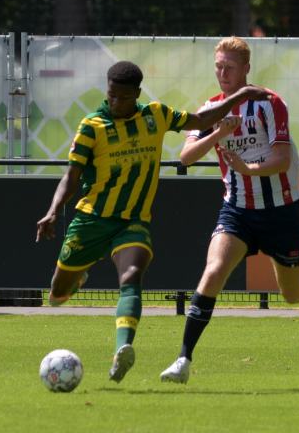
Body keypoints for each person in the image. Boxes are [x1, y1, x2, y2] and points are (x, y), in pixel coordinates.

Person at [36, 60, 271, 383]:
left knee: (132, 275)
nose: (116, 102)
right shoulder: (92, 125)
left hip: (132, 221)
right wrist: (53, 211)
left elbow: (200, 119)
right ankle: (77, 278)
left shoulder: (156, 115)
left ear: (137, 94)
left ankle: (123, 350)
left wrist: (239, 95)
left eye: (123, 97)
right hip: (92, 220)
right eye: (111, 95)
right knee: (56, 295)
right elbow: (71, 176)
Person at [160, 36, 299, 385]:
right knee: (214, 272)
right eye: (218, 66)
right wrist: (217, 134)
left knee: (290, 294)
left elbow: (282, 158)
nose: (222, 72)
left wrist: (247, 168)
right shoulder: (210, 108)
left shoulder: (269, 103)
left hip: (281, 211)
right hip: (237, 210)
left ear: (246, 70)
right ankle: (182, 359)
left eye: (229, 67)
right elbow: (185, 157)